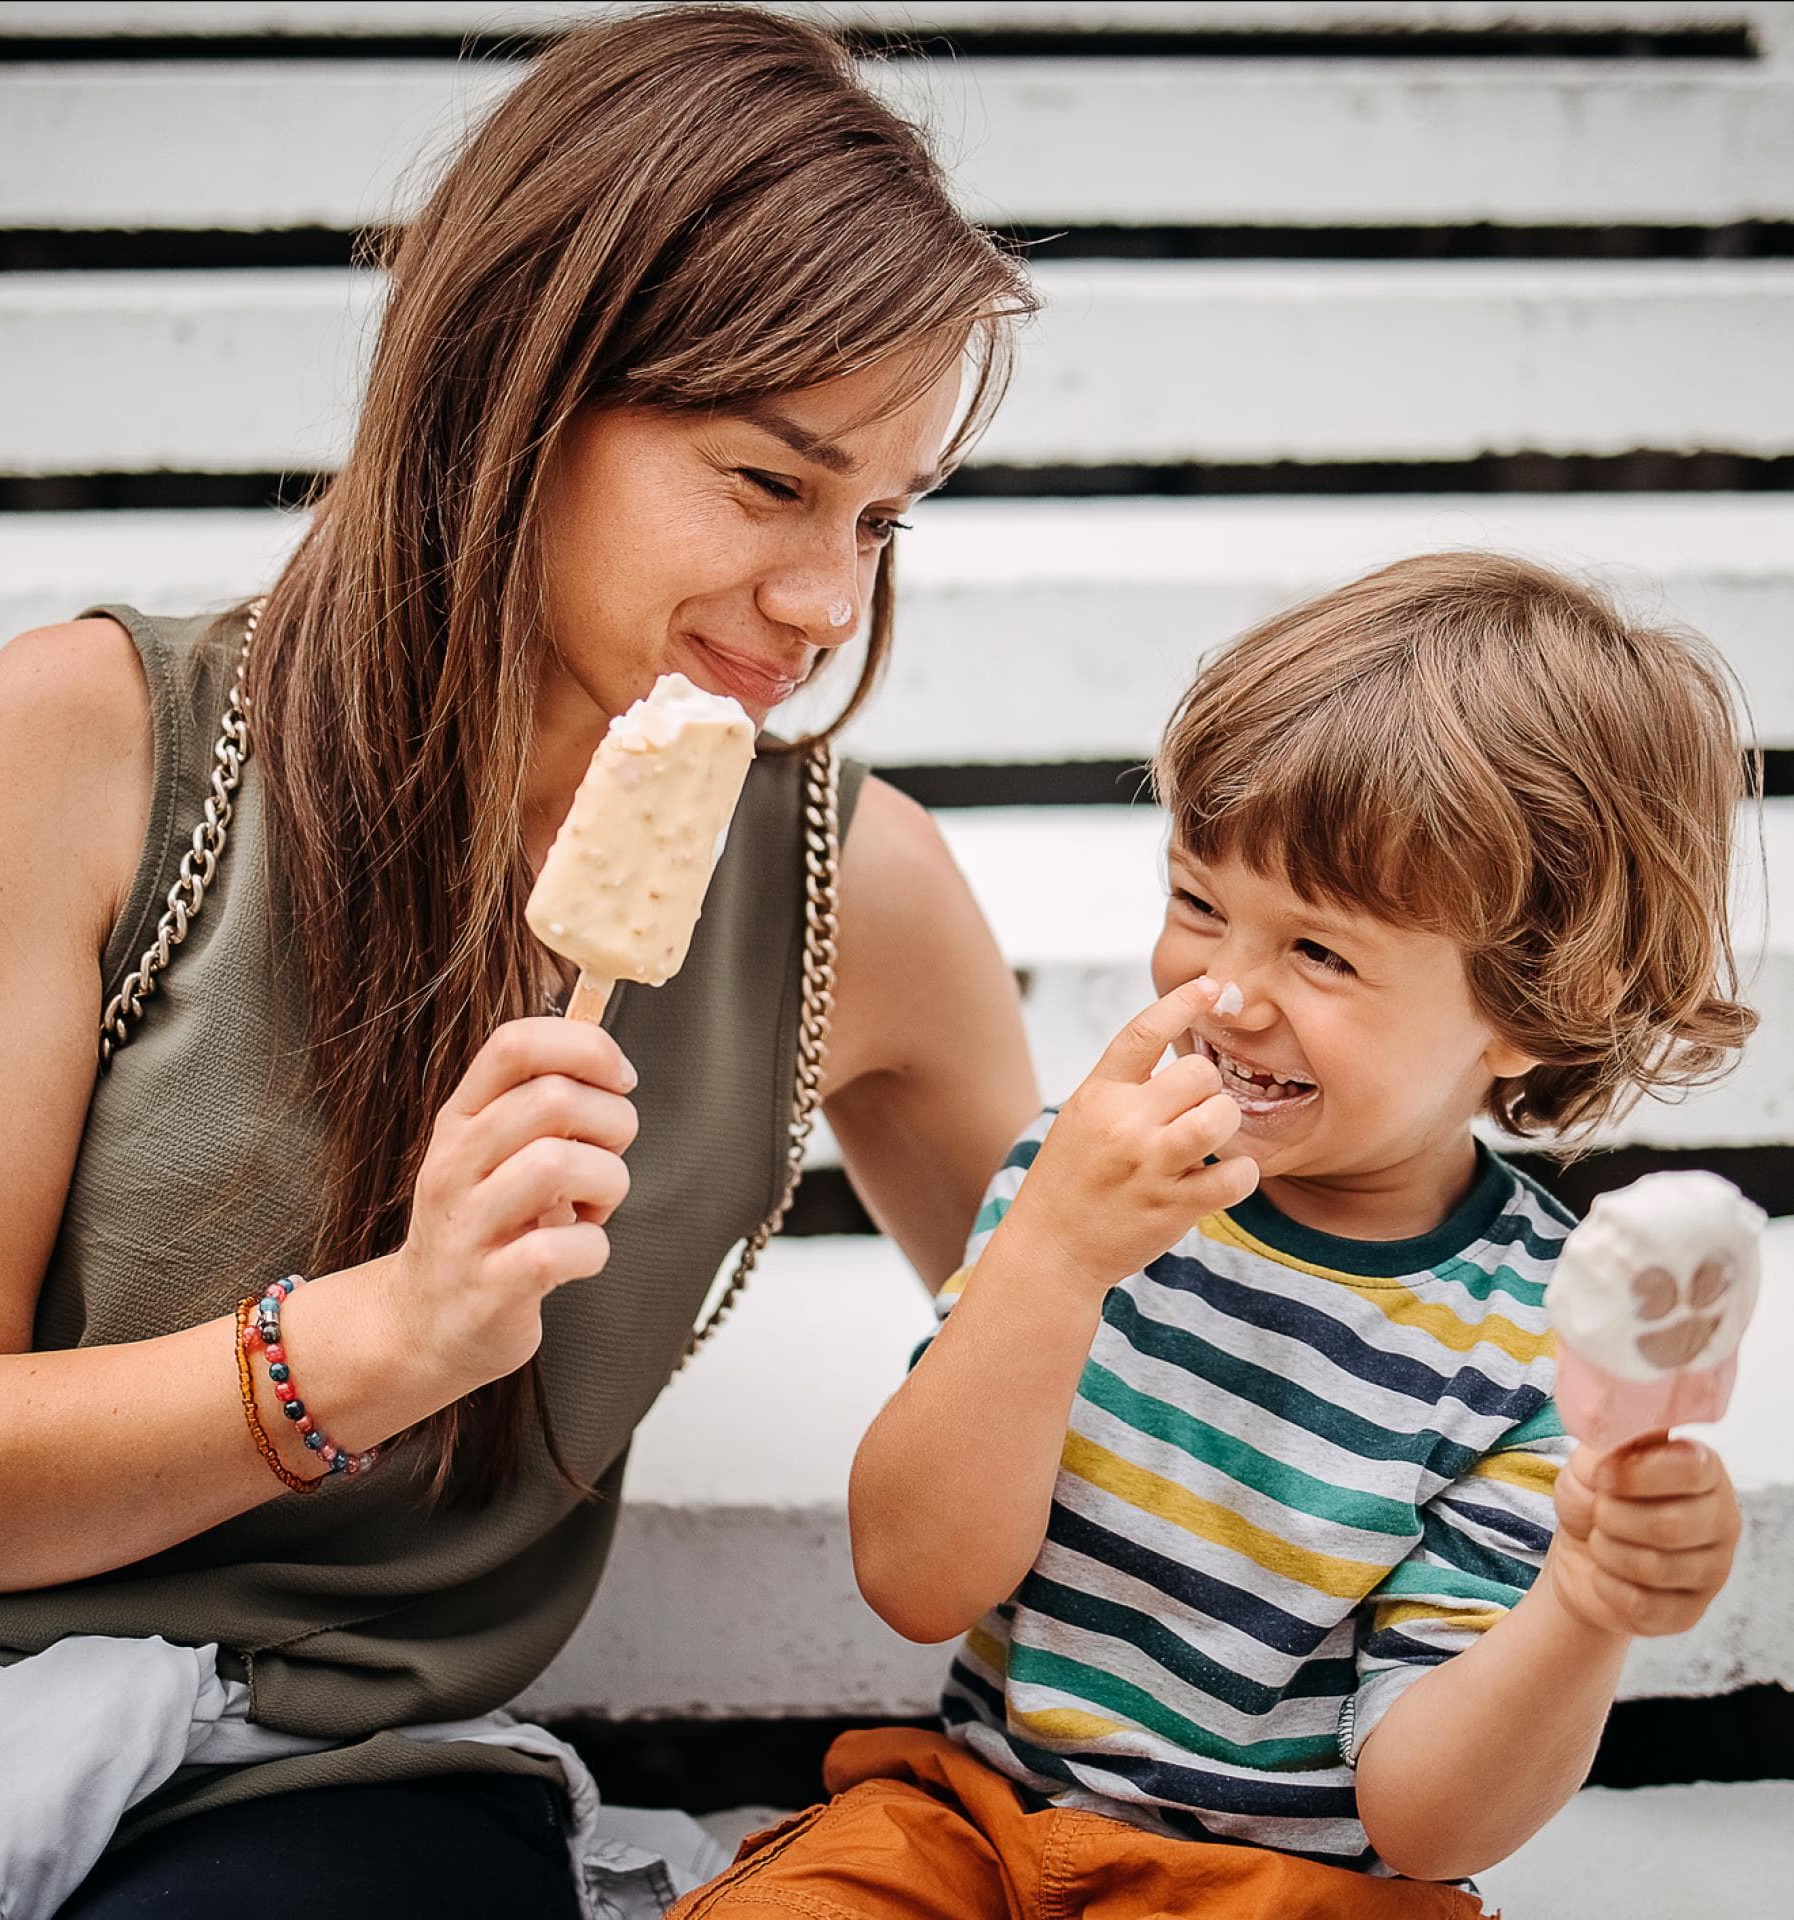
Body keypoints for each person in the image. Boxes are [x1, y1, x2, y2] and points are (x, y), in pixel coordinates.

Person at [0, 8, 1039, 1913]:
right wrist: (372, 1344)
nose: (830, 601)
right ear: (519, 381)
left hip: (346, 1783)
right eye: (769, 483)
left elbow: (1102, 1397)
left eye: (880, 520)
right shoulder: (104, 739)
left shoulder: (856, 893)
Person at [675, 553, 1755, 1918]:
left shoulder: (1537, 1349)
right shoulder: (1096, 1176)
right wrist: (1057, 1254)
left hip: (1282, 1889)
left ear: (1532, 1007)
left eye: (1322, 953)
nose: (1224, 992)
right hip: (981, 1824)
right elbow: (914, 1574)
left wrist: (1586, 1608)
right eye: (1198, 902)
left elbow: (1425, 1819)